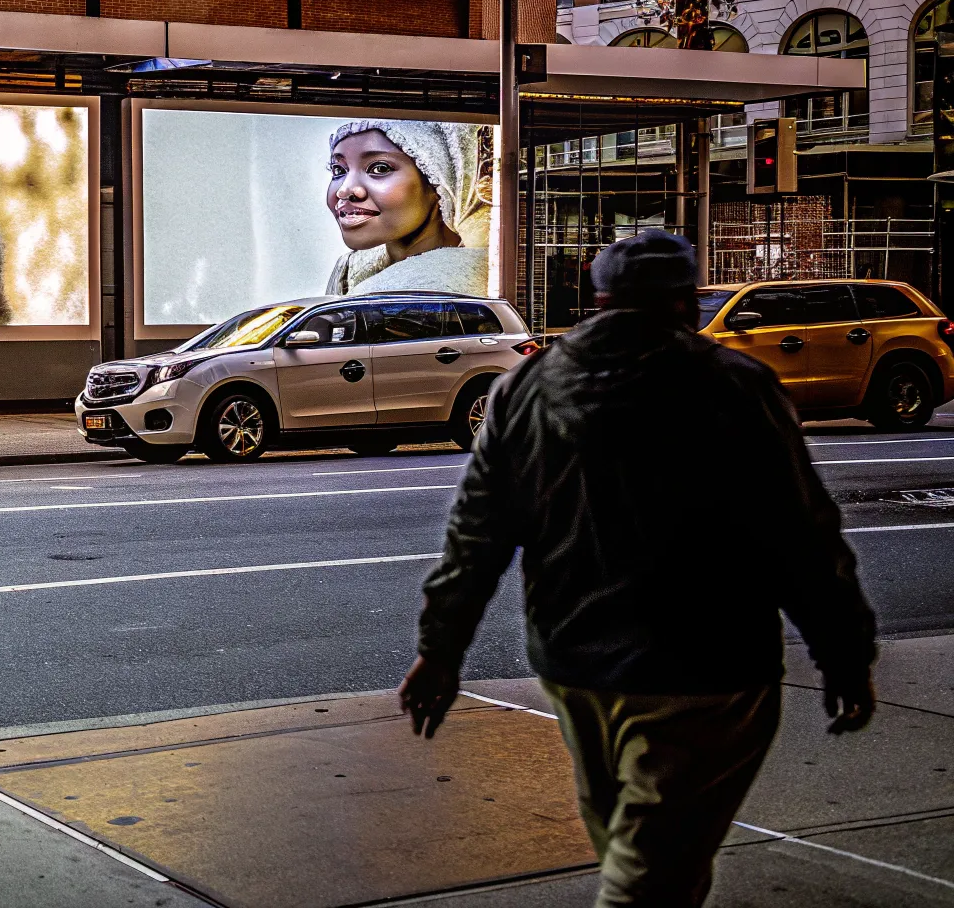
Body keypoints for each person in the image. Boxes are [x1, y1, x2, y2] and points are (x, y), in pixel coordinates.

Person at [398, 229, 877, 908]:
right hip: (707, 670)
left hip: (574, 666)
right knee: (653, 871)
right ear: (686, 301)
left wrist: (440, 652)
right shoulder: (736, 386)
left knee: (648, 858)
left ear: (599, 298)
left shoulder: (525, 389)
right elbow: (801, 534)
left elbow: (475, 537)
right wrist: (844, 653)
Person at [324, 120, 490, 297]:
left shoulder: (472, 279)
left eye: (380, 168)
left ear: (439, 181)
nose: (343, 191)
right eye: (338, 170)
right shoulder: (351, 268)